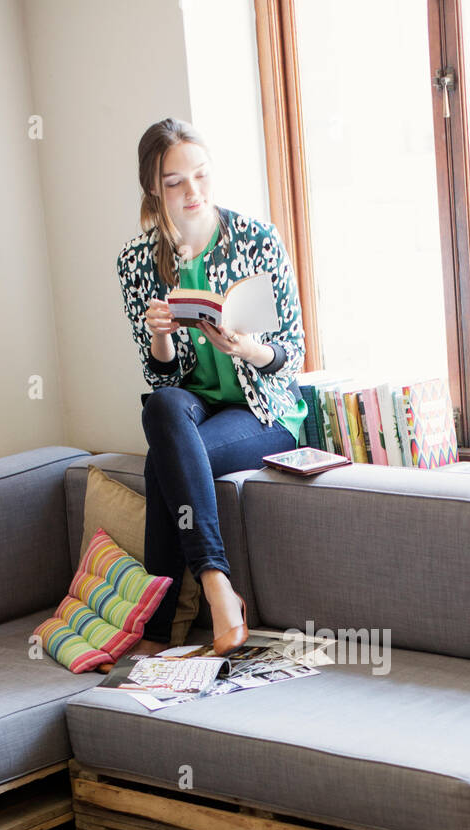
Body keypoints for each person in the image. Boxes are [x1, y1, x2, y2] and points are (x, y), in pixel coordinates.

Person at [116, 117, 307, 656]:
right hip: (192, 408)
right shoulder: (137, 262)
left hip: (263, 410)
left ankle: (166, 622)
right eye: (175, 182)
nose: (192, 191)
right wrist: (160, 340)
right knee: (162, 407)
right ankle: (214, 585)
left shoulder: (257, 241)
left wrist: (248, 349)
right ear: (154, 188)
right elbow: (161, 378)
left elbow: (291, 358)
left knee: (162, 464)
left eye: (200, 175)